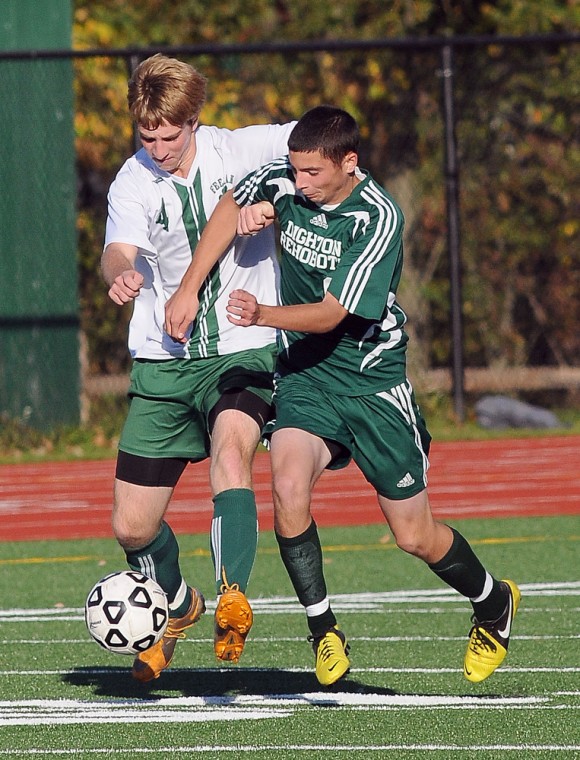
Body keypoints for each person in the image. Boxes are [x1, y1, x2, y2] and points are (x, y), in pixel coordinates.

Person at [165, 105, 521, 688]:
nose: (299, 183)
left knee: (414, 535)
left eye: (312, 174)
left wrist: (262, 314)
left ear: (347, 163)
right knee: (285, 484)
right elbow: (231, 204)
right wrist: (193, 281)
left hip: (372, 385)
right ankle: (323, 631)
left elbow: (332, 314)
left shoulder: (377, 218)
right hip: (307, 377)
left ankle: (492, 601)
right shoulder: (286, 180)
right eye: (295, 171)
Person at [101, 53, 295, 682]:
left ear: (195, 121)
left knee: (231, 453)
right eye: (147, 135)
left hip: (241, 348)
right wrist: (121, 275)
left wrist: (275, 199)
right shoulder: (131, 182)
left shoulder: (238, 152)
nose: (157, 146)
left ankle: (233, 594)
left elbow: (323, 142)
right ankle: (179, 606)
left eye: (169, 134)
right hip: (165, 359)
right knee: (132, 527)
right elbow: (115, 251)